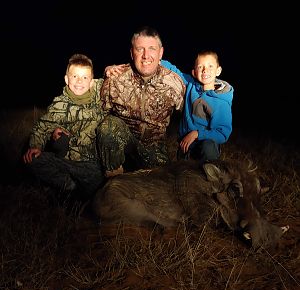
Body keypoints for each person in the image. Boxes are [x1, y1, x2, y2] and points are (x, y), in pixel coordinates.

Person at [97, 25, 186, 177]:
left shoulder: (175, 83)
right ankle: (113, 180)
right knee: (108, 125)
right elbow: (98, 112)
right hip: (122, 144)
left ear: (161, 53)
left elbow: (189, 115)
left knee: (164, 185)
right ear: (132, 53)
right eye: (140, 49)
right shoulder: (115, 78)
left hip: (153, 148)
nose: (146, 55)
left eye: (152, 48)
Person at [23, 53, 106, 199]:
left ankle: (82, 196)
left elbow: (115, 79)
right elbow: (42, 127)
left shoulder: (100, 96)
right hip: (64, 161)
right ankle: (67, 186)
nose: (79, 81)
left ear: (92, 82)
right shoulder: (58, 104)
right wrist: (35, 145)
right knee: (31, 160)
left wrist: (112, 69)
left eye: (85, 77)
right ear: (67, 79)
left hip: (91, 165)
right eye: (75, 76)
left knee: (96, 194)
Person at [160, 50, 234, 164]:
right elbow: (175, 72)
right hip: (186, 143)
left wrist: (196, 134)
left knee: (208, 146)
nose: (205, 70)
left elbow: (222, 133)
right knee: (182, 175)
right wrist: (156, 60)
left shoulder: (221, 101)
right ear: (194, 72)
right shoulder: (191, 84)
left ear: (218, 71)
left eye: (210, 66)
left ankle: (210, 172)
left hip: (205, 145)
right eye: (200, 67)